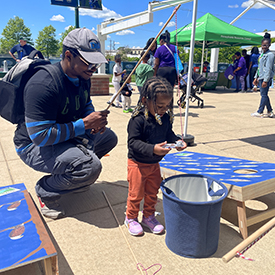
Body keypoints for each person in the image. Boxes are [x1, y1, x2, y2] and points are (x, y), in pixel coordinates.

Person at [13, 28, 118, 219]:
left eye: (96, 64)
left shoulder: (83, 76)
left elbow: (85, 102)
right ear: (68, 55)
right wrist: (84, 124)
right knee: (90, 167)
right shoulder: (43, 84)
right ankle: (46, 190)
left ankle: (74, 175)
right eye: (89, 62)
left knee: (108, 137)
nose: (94, 69)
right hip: (31, 145)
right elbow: (40, 136)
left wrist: (92, 118)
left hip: (62, 135)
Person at [124, 76, 187, 236]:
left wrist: (177, 141)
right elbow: (133, 143)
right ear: (145, 100)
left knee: (152, 192)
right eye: (160, 106)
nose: (164, 109)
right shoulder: (137, 120)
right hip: (137, 164)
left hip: (154, 164)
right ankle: (130, 218)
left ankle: (148, 216)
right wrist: (153, 148)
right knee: (136, 193)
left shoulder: (165, 118)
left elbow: (168, 133)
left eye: (167, 106)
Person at [251, 33, 274, 118]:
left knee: (263, 95)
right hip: (260, 76)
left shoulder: (270, 55)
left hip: (265, 77)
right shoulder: (262, 54)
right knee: (264, 94)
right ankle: (270, 111)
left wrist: (265, 80)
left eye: (266, 45)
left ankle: (260, 111)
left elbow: (268, 68)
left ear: (269, 45)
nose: (264, 47)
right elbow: (259, 67)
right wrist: (256, 77)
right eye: (263, 45)